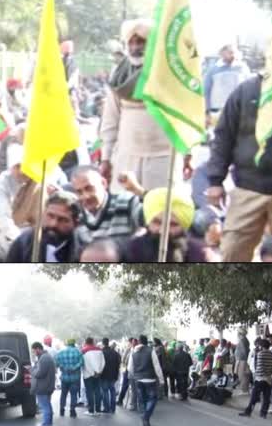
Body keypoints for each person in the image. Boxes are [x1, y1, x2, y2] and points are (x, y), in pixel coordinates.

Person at [205, 74, 272, 261]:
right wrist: (216, 180)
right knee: (232, 253)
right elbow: (224, 136)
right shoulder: (247, 90)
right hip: (247, 190)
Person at [100, 19, 182, 192]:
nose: (135, 47)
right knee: (124, 210)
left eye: (141, 42)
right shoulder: (119, 75)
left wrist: (188, 152)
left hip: (163, 158)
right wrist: (105, 158)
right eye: (131, 42)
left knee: (158, 212)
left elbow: (184, 115)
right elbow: (110, 119)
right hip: (126, 156)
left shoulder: (170, 72)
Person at [0, 144, 43, 260]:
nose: (22, 171)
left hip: (25, 231)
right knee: (16, 248)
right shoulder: (0, 185)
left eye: (26, 166)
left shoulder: (36, 182)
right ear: (11, 167)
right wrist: (24, 242)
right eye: (18, 166)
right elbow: (4, 222)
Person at [122, 187, 208, 262]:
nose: (163, 230)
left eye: (172, 224)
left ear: (184, 226)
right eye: (157, 222)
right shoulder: (132, 249)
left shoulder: (199, 254)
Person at [71, 165, 144, 246]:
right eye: (79, 192)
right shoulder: (77, 216)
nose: (86, 196)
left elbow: (149, 227)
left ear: (103, 183)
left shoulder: (127, 202)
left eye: (89, 188)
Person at [6, 191, 87, 262]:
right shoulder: (24, 241)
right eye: (50, 216)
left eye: (62, 219)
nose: (53, 224)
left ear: (76, 223)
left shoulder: (84, 250)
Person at [203, 44, 251, 125]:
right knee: (218, 134)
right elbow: (206, 91)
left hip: (238, 109)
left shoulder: (243, 68)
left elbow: (249, 88)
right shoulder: (212, 70)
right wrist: (207, 111)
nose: (232, 55)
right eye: (229, 52)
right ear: (222, 54)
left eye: (233, 52)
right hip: (217, 110)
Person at [127, 335, 165, 426]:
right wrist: (161, 379)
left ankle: (144, 415)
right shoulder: (151, 351)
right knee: (152, 399)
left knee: (142, 399)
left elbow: (129, 368)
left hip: (138, 379)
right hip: (150, 379)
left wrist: (135, 375)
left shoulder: (133, 352)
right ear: (146, 342)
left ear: (139, 342)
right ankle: (146, 417)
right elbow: (157, 366)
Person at [239, 339, 272, 419]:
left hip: (260, 378)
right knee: (266, 397)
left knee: (254, 396)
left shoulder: (260, 354)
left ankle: (248, 412)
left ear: (262, 346)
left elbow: (258, 367)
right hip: (269, 378)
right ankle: (263, 413)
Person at [30, 342, 56, 426]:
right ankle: (49, 425)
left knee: (45, 407)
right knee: (47, 406)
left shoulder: (44, 359)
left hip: (43, 387)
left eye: (33, 351)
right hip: (47, 385)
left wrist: (31, 369)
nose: (33, 353)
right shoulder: (46, 357)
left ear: (38, 349)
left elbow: (39, 373)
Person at [55, 339, 83, 418]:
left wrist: (63, 367)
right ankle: (72, 411)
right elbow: (81, 363)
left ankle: (62, 410)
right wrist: (74, 368)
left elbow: (56, 364)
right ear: (74, 344)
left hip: (64, 377)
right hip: (75, 377)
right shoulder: (78, 352)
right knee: (74, 395)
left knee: (63, 394)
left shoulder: (60, 352)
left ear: (67, 344)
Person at [80, 337, 105, 417]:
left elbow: (85, 364)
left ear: (86, 342)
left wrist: (92, 372)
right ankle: (98, 410)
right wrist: (99, 371)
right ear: (93, 342)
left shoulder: (84, 351)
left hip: (88, 374)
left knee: (89, 392)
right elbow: (103, 362)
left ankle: (91, 410)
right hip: (98, 374)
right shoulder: (99, 350)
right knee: (97, 391)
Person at [100, 338, 121, 414]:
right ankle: (113, 408)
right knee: (112, 391)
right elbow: (118, 364)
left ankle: (106, 408)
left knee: (105, 391)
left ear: (103, 343)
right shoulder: (115, 353)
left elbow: (100, 365)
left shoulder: (101, 352)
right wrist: (116, 375)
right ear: (108, 343)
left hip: (104, 375)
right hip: (113, 375)